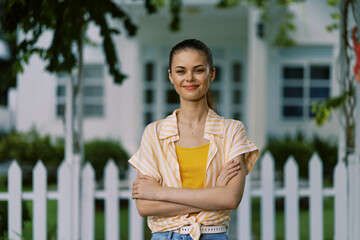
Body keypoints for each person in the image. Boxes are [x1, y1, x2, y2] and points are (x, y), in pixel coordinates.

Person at [129, 39, 259, 240]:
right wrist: (213, 194)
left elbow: (231, 198)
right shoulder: (154, 133)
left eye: (198, 70)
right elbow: (145, 205)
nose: (189, 78)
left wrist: (159, 192)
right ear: (171, 76)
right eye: (181, 71)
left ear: (211, 74)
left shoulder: (232, 130)